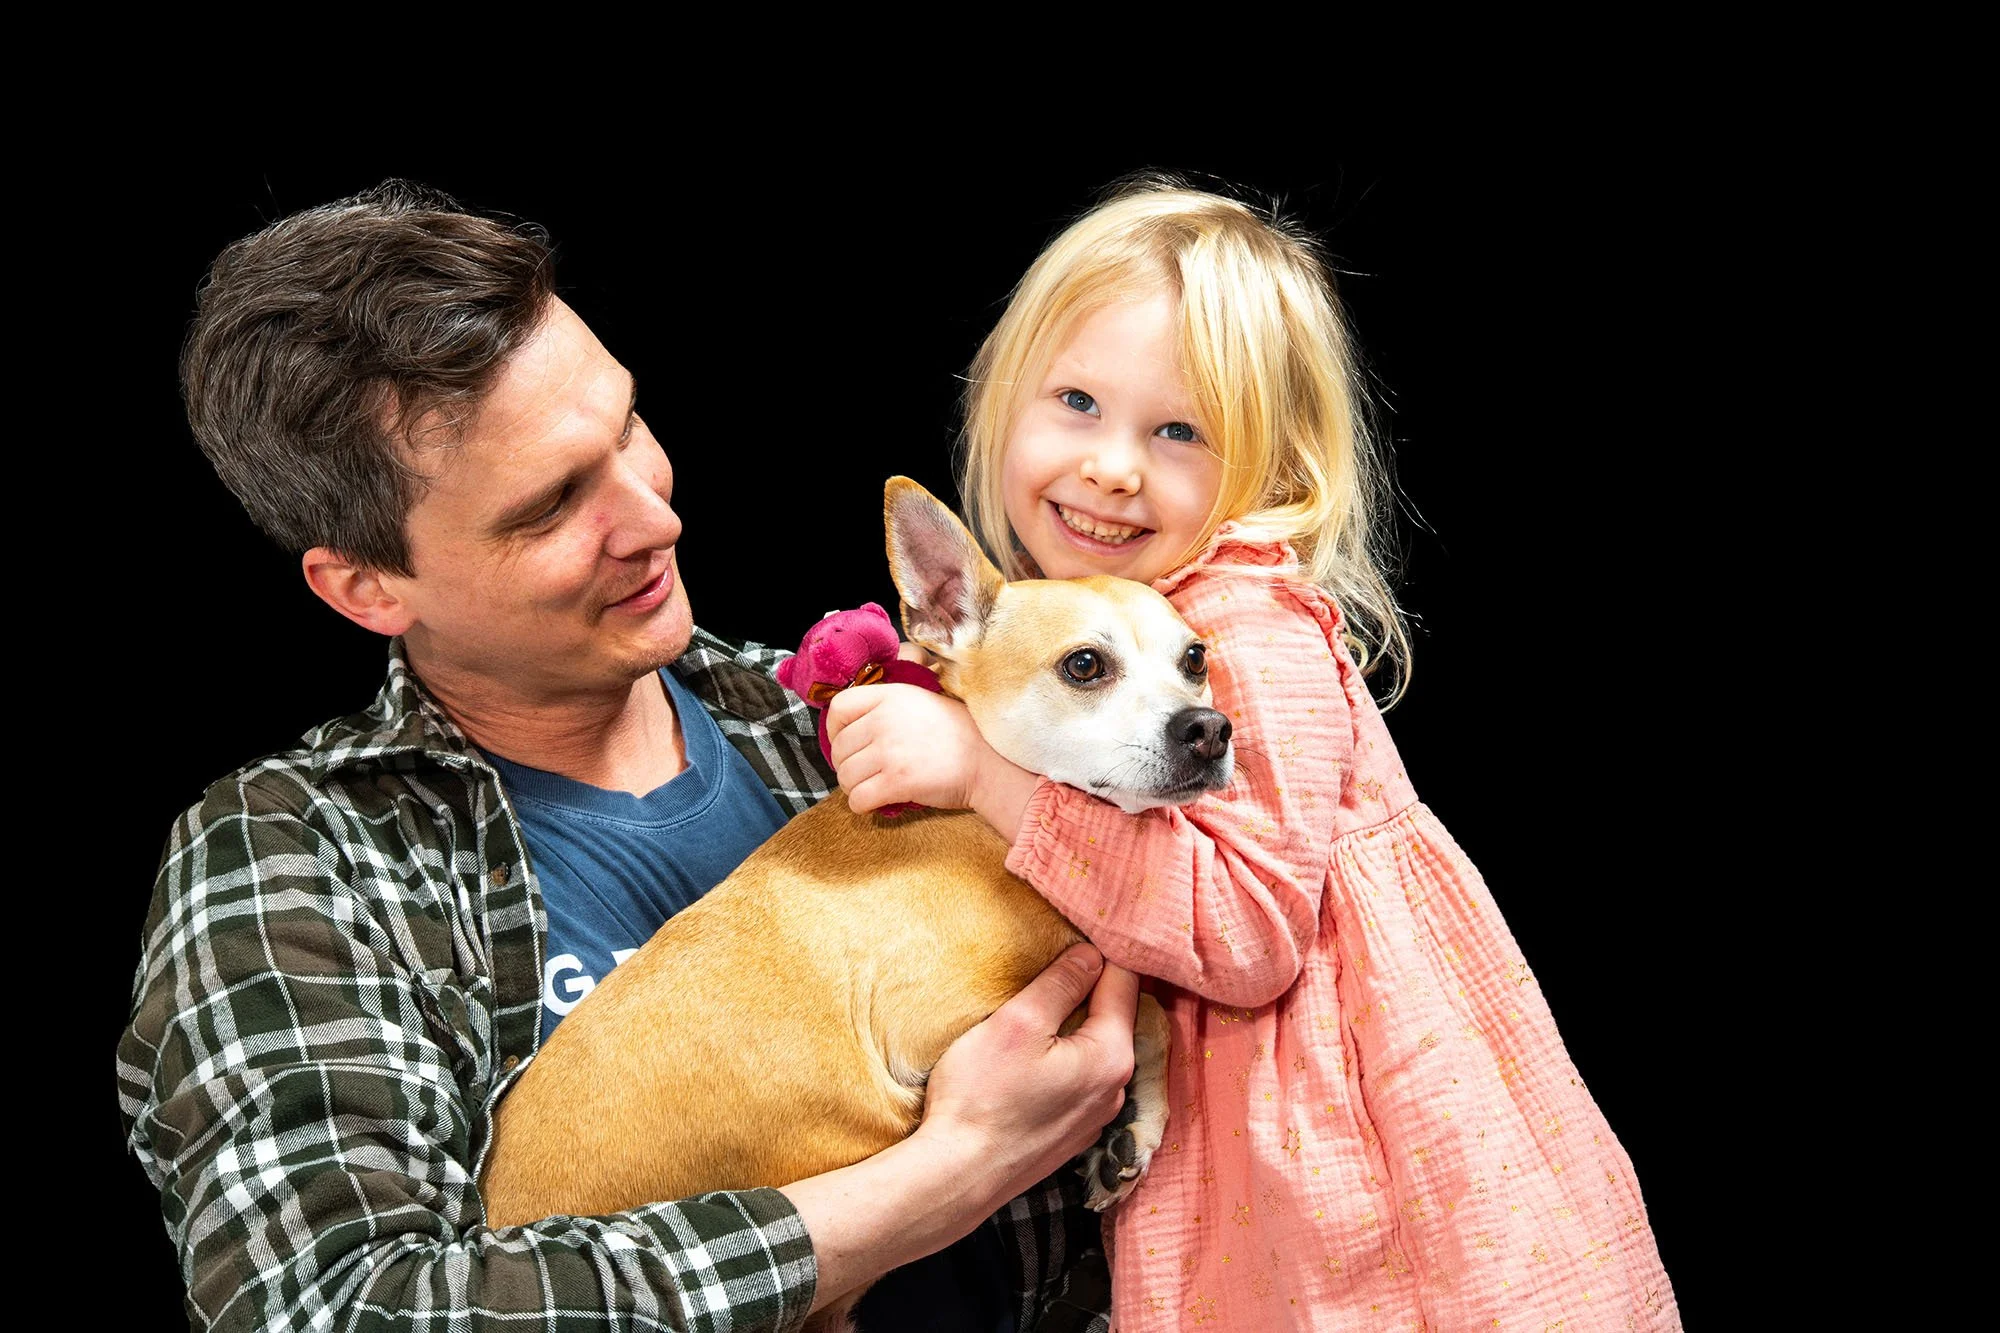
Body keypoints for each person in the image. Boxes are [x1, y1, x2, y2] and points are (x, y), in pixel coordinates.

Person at [115, 180, 1137, 1333]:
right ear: (368, 587)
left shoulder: (847, 724)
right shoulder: (301, 864)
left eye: (627, 426)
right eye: (551, 505)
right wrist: (938, 1180)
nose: (654, 518)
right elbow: (335, 1309)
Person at [823, 178, 1682, 1329]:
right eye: (1075, 401)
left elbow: (1245, 934)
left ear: (1271, 470)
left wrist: (979, 773)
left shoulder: (1242, 628)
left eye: (1177, 431)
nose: (1113, 465)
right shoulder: (1105, 608)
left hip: (1351, 1151)